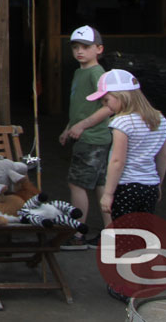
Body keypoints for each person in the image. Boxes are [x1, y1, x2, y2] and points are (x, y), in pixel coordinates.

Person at [88, 68, 166, 301]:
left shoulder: (122, 122)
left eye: (107, 99)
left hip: (126, 187)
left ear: (122, 95)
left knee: (126, 239)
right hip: (149, 186)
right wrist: (158, 183)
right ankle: (156, 282)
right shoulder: (159, 119)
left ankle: (130, 289)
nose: (106, 105)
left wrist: (108, 193)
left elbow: (117, 160)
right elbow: (162, 156)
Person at [57, 24, 111, 249]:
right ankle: (110, 233)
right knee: (101, 185)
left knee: (76, 184)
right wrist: (69, 126)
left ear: (99, 49)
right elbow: (82, 107)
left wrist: (82, 126)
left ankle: (78, 234)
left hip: (92, 138)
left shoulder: (97, 73)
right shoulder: (81, 71)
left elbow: (109, 107)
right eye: (76, 47)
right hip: (90, 136)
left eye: (86, 47)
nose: (80, 51)